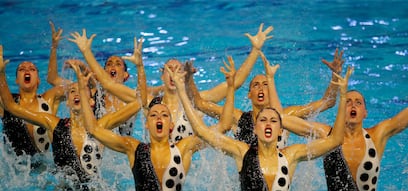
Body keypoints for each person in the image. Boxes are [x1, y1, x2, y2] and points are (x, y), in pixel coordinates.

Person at [168, 63, 353, 191]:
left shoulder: (290, 153)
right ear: (255, 127)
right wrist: (182, 87)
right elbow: (201, 129)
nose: (268, 125)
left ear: (282, 129)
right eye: (263, 121)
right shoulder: (241, 147)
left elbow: (335, 139)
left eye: (273, 121)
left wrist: (343, 95)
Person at [78, 54, 237, 191]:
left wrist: (230, 89)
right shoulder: (134, 148)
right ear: (146, 124)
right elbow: (93, 129)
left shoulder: (184, 148)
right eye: (153, 115)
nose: (159, 118)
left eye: (164, 115)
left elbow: (224, 126)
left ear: (171, 125)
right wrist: (84, 91)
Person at [69, 23, 274, 143]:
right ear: (162, 75)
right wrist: (87, 52)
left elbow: (235, 83)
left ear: (184, 76)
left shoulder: (196, 102)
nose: (174, 73)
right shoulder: (150, 102)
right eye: (169, 69)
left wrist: (255, 50)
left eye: (178, 69)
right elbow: (110, 85)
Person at [0, 48, 139, 191]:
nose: (76, 94)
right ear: (67, 101)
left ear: (91, 101)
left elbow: (138, 101)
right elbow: (11, 106)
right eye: (72, 91)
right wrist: (1, 74)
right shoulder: (54, 124)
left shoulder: (99, 126)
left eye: (81, 90)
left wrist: (140, 68)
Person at [194, 49, 345, 148]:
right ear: (249, 94)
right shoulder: (237, 118)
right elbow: (200, 104)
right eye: (256, 85)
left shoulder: (286, 117)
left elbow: (328, 102)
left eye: (265, 84)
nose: (260, 88)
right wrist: (187, 80)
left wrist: (335, 75)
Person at [317, 90, 408, 191]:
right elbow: (294, 121)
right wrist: (323, 103)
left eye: (358, 102)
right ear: (340, 111)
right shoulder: (327, 135)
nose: (353, 105)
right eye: (347, 102)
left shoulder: (377, 136)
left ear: (365, 113)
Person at [0, 32, 67, 157]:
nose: (26, 70)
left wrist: (54, 47)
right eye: (21, 69)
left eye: (32, 69)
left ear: (38, 80)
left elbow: (75, 88)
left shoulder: (49, 98)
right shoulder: (6, 101)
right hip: (15, 169)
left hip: (43, 167)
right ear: (16, 80)